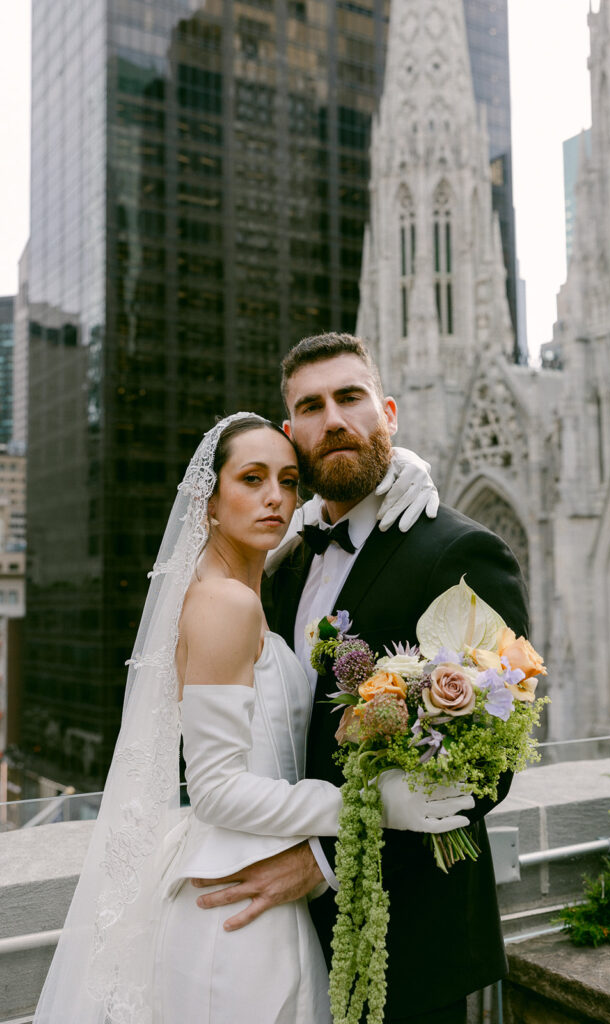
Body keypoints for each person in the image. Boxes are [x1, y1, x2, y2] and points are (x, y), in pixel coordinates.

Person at [33, 411, 465, 1024]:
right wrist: (371, 806)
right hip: (237, 905)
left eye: (288, 481)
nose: (275, 498)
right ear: (209, 501)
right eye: (252, 479)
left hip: (254, 881)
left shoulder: (248, 581)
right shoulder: (225, 603)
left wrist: (403, 467)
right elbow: (214, 789)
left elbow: (326, 523)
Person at [193, 335, 530, 1024]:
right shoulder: (282, 564)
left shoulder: (459, 550)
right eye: (311, 407)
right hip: (281, 934)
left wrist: (324, 862)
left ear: (390, 413)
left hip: (412, 943)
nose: (334, 419)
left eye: (351, 397)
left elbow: (488, 767)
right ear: (293, 436)